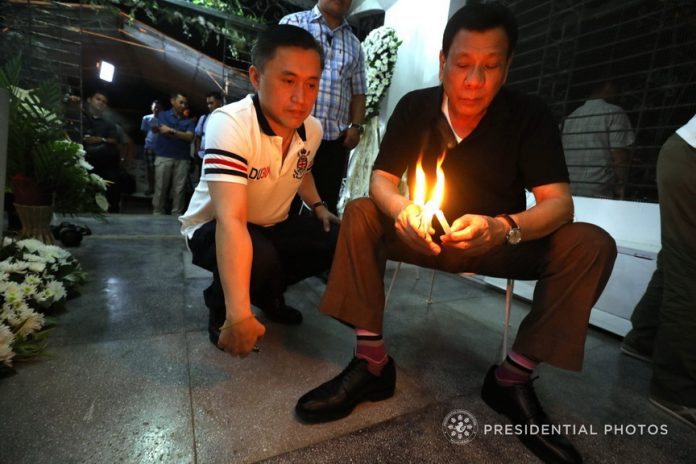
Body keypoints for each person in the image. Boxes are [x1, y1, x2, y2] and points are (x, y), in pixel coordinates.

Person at [294, 4, 617, 464]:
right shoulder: (416, 107)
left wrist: (504, 228)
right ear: (443, 61)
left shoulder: (529, 115)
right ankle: (371, 361)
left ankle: (512, 378)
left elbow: (558, 204)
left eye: (490, 67)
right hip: (419, 238)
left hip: (496, 246)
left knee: (591, 243)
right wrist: (403, 210)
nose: (473, 81)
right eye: (463, 64)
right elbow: (381, 182)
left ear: (508, 67)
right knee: (365, 211)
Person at [179, 24, 340, 355]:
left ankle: (268, 293)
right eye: (288, 81)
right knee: (258, 254)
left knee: (334, 237)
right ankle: (221, 306)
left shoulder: (312, 129)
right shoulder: (230, 123)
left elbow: (302, 169)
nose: (301, 97)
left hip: (270, 225)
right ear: (255, 77)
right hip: (214, 227)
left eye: (311, 85)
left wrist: (319, 206)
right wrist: (240, 315)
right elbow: (231, 221)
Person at [621, 113, 696, 430]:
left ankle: (643, 339)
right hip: (691, 157)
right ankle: (676, 389)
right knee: (690, 269)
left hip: (683, 151)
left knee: (678, 261)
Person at [280, 0, 367, 214]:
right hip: (291, 134)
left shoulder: (355, 45)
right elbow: (276, 74)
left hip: (332, 143)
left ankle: (316, 246)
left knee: (324, 206)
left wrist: (356, 126)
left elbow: (358, 92)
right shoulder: (293, 25)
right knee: (283, 202)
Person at [561, 80, 635, 199]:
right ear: (608, 85)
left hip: (568, 190)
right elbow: (620, 157)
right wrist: (622, 185)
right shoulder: (614, 112)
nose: (620, 95)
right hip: (598, 194)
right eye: (618, 89)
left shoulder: (570, 118)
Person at [152, 92, 195, 215]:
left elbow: (189, 137)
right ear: (172, 101)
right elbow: (162, 131)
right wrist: (181, 134)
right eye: (181, 102)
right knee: (160, 187)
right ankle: (157, 213)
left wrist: (171, 131)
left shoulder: (189, 121)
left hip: (182, 158)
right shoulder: (162, 115)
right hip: (163, 155)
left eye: (185, 103)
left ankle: (176, 214)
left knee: (179, 189)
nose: (183, 105)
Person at [81, 90, 121, 212]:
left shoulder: (109, 124)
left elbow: (114, 141)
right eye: (98, 99)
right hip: (84, 162)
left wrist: (100, 139)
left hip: (104, 164)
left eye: (104, 102)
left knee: (110, 190)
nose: (101, 103)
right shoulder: (80, 118)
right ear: (89, 100)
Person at [194, 91, 224, 160]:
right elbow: (198, 136)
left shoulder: (225, 118)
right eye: (208, 103)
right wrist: (197, 151)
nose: (209, 106)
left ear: (219, 102)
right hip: (202, 155)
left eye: (211, 103)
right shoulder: (204, 118)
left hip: (217, 156)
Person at [140, 100, 161, 195]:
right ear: (151, 107)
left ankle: (159, 189)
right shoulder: (146, 118)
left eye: (158, 107)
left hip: (161, 148)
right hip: (149, 147)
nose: (156, 109)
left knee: (160, 170)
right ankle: (151, 188)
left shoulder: (164, 119)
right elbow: (144, 132)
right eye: (154, 107)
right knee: (150, 169)